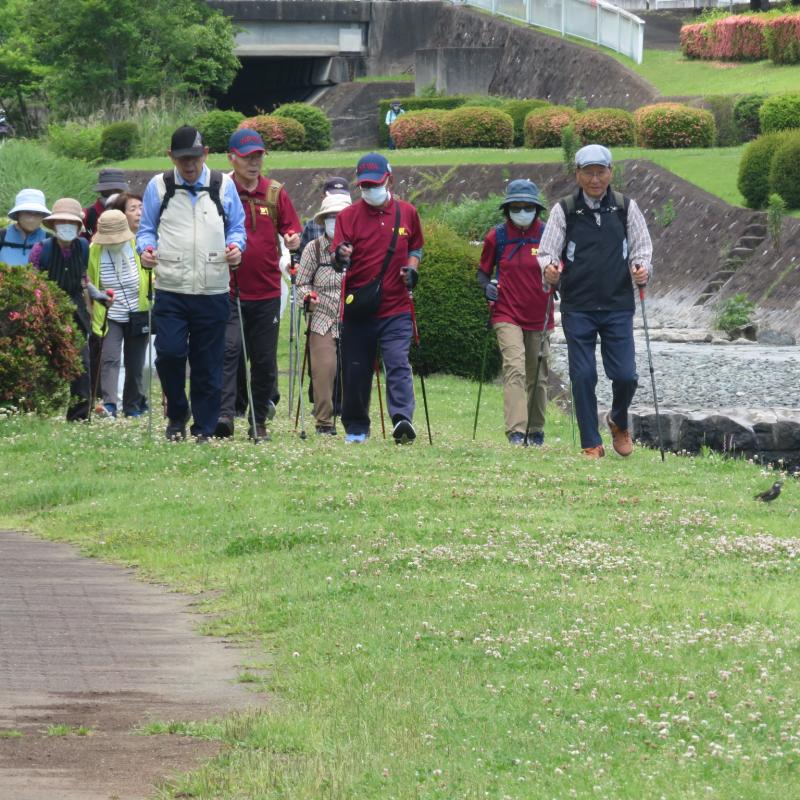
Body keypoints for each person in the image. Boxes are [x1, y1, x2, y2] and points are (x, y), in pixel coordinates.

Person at [537, 144, 653, 459]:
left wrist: (641, 270)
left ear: (610, 173)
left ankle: (618, 418)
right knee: (583, 374)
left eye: (600, 171)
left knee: (626, 375)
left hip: (617, 304)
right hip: (578, 307)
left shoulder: (626, 207)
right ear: (577, 174)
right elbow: (548, 251)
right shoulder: (565, 209)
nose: (594, 178)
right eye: (588, 172)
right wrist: (549, 269)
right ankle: (591, 441)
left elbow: (641, 248)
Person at [137, 125, 246, 443]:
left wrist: (237, 247)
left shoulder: (222, 185)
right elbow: (145, 229)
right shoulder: (160, 186)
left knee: (207, 363)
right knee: (168, 354)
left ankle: (205, 427)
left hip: (213, 288)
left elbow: (237, 227)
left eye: (195, 158)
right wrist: (145, 249)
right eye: (183, 158)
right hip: (171, 286)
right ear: (171, 156)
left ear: (206, 155)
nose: (189, 165)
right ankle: (177, 413)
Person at [215, 128, 301, 441]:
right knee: (229, 350)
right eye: (246, 156)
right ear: (231, 157)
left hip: (267, 291)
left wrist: (293, 239)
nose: (253, 162)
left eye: (258, 156)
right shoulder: (221, 190)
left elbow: (292, 228)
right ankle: (224, 415)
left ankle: (258, 420)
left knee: (264, 360)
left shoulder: (275, 192)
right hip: (228, 288)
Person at [332, 152, 423, 444]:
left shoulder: (407, 212)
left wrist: (411, 269)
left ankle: (402, 420)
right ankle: (356, 428)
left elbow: (416, 248)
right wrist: (341, 255)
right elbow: (337, 257)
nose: (370, 190)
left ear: (390, 180)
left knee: (397, 361)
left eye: (376, 184)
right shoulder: (348, 216)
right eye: (365, 186)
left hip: (396, 307)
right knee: (356, 371)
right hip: (359, 307)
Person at [477, 179, 552, 447]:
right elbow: (483, 274)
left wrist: (557, 276)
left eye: (527, 206)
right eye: (516, 207)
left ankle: (536, 430)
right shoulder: (496, 237)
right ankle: (516, 431)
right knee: (514, 368)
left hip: (540, 314)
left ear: (536, 208)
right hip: (506, 312)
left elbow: (562, 269)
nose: (522, 211)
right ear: (508, 209)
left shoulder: (548, 235)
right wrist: (487, 289)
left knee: (538, 375)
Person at [30, 198, 112, 421]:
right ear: (54, 225)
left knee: (81, 365)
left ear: (78, 227)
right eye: (61, 222)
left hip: (76, 312)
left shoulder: (84, 247)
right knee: (46, 362)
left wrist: (98, 295)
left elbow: (83, 279)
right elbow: (32, 282)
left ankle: (79, 415)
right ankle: (41, 412)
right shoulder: (41, 250)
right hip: (48, 312)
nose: (66, 226)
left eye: (71, 222)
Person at [297, 191, 352, 435]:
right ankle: (324, 422)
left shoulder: (360, 248)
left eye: (339, 216)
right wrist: (308, 297)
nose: (334, 221)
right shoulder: (314, 248)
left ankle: (356, 420)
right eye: (330, 217)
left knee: (355, 370)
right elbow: (301, 283)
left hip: (353, 316)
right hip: (322, 317)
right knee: (323, 369)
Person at [87, 210, 151, 418]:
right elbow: (88, 281)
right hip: (110, 313)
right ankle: (110, 404)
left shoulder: (138, 247)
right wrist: (98, 299)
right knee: (110, 358)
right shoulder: (94, 250)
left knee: (135, 364)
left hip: (137, 313)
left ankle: (133, 406)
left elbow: (152, 276)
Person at [298, 176, 351, 255]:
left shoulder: (356, 226)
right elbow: (299, 255)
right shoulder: (312, 226)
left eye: (340, 197)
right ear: (323, 198)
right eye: (333, 197)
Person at [0, 189, 50, 266]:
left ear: (42, 216)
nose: (32, 218)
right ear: (17, 214)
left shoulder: (49, 240)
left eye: (37, 213)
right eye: (27, 212)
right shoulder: (2, 236)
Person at [83, 169, 130, 239]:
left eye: (117, 190)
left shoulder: (131, 212)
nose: (113, 192)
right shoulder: (87, 215)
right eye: (109, 189)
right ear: (102, 190)